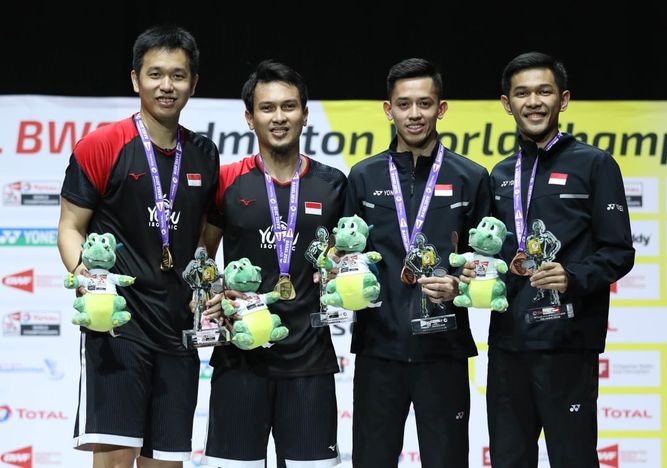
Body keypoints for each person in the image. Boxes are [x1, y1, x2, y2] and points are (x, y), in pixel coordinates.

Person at [57, 24, 219, 467]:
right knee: (113, 459)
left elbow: (206, 233)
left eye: (179, 75)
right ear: (135, 79)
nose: (167, 86)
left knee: (166, 461)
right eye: (155, 74)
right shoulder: (101, 145)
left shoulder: (205, 154)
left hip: (178, 331)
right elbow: (70, 227)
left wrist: (204, 287)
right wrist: (86, 279)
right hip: (118, 325)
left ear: (193, 83)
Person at [485, 51, 635, 467]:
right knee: (509, 460)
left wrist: (572, 276)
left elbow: (619, 252)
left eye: (544, 91)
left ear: (563, 99)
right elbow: (492, 254)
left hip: (567, 344)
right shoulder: (499, 174)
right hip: (508, 345)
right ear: (506, 103)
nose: (533, 101)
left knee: (573, 459)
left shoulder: (595, 164)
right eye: (522, 93)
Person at [344, 58, 491, 467]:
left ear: (441, 108)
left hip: (443, 350)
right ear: (387, 109)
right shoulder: (363, 177)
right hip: (379, 349)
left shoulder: (472, 177)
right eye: (403, 104)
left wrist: (461, 287)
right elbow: (345, 257)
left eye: (424, 104)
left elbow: (489, 263)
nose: (414, 114)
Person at [200, 60, 346, 467]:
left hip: (309, 361)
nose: (278, 117)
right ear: (249, 117)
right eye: (267, 108)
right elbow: (202, 258)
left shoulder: (333, 184)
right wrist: (211, 297)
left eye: (288, 106)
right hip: (240, 360)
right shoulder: (226, 180)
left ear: (305, 113)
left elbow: (340, 257)